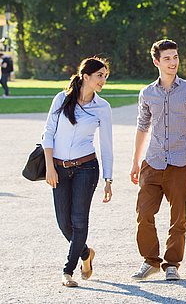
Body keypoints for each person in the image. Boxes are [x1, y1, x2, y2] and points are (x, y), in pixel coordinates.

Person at [130, 39, 186, 281]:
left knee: (178, 217)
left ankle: (172, 264)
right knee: (143, 213)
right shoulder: (147, 93)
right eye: (167, 58)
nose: (173, 62)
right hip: (152, 162)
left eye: (175, 57)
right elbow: (142, 127)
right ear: (156, 62)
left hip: (181, 162)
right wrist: (135, 161)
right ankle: (150, 260)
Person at [42, 57, 113, 287]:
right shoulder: (62, 99)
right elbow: (48, 133)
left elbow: (106, 145)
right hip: (59, 169)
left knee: (79, 221)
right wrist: (50, 167)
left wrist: (108, 179)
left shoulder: (103, 107)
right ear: (86, 77)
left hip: (87, 168)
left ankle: (68, 271)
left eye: (105, 75)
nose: (103, 79)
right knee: (64, 224)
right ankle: (85, 254)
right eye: (99, 75)